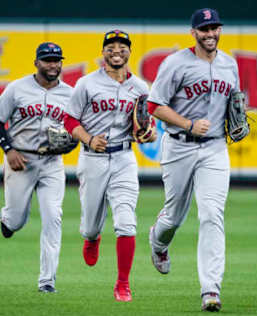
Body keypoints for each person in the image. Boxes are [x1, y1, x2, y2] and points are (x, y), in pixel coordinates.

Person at [146, 8, 239, 312]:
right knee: (173, 217)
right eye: (205, 29)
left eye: (215, 28)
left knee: (212, 214)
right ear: (193, 33)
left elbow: (234, 102)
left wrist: (236, 121)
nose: (211, 34)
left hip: (214, 148)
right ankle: (158, 243)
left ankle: (210, 289)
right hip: (179, 146)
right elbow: (154, 105)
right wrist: (187, 123)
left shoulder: (230, 64)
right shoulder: (176, 63)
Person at [64, 29, 156, 302]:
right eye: (111, 46)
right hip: (93, 158)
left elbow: (143, 126)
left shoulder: (140, 87)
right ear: (103, 52)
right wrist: (89, 139)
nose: (117, 51)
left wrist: (148, 134)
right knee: (91, 226)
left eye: (122, 46)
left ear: (129, 51)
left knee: (126, 222)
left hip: (125, 158)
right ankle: (92, 238)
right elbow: (69, 121)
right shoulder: (86, 84)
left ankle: (123, 284)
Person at [0, 42, 73, 294]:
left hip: (52, 163)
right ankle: (8, 220)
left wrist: (69, 146)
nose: (53, 64)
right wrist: (8, 150)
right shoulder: (17, 89)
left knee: (53, 216)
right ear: (36, 62)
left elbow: (77, 130)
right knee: (16, 220)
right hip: (21, 160)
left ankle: (47, 281)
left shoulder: (70, 94)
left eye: (56, 60)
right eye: (47, 60)